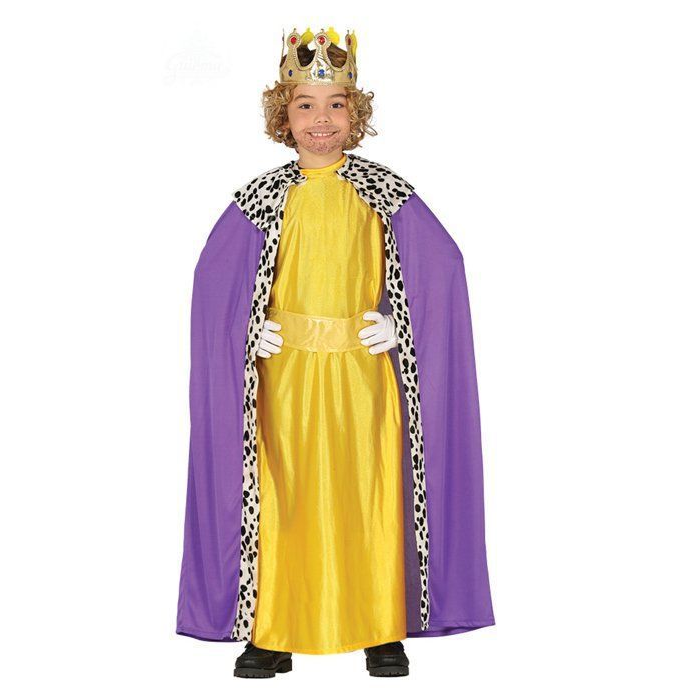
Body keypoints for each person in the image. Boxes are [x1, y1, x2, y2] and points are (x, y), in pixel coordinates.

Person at [176, 26, 495, 679]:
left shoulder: (383, 192)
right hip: (285, 377)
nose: (321, 119)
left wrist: (401, 323)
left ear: (356, 113)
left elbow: (443, 268)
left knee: (368, 496)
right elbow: (214, 282)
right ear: (283, 115)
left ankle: (381, 626)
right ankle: (273, 629)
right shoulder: (263, 198)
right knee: (283, 498)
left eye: (336, 105)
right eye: (305, 105)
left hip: (363, 376)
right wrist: (246, 330)